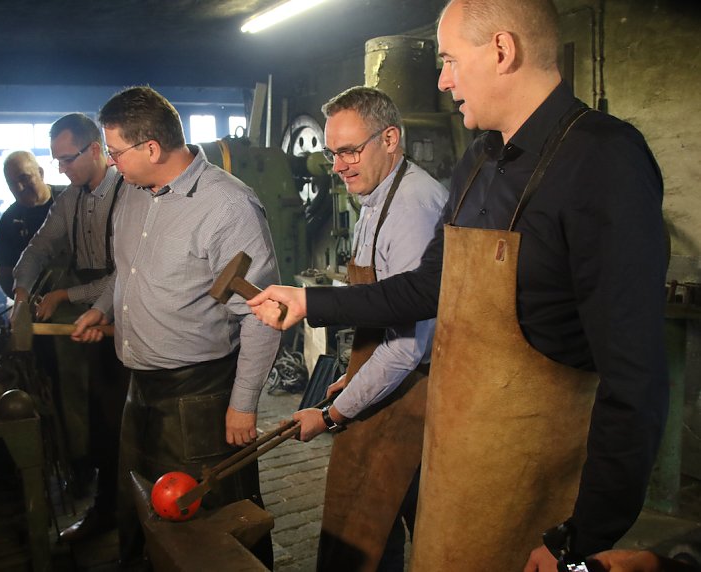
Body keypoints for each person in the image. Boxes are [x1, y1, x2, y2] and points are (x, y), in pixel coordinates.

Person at [248, 0, 668, 570]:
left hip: (538, 480)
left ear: (501, 51)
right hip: (460, 455)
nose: (443, 82)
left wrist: (582, 534)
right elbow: (428, 288)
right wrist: (310, 301)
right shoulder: (478, 161)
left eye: (448, 61)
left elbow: (635, 376)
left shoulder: (603, 159)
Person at [72, 86, 281, 568]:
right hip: (139, 388)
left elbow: (260, 314)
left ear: (151, 148)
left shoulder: (227, 208)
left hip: (200, 395)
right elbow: (130, 270)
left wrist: (243, 404)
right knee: (143, 514)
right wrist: (104, 307)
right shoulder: (132, 190)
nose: (110, 161)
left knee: (213, 526)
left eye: (115, 150)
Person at [292, 86, 446, 572]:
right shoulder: (376, 196)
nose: (337, 165)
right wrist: (348, 381)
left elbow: (405, 349)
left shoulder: (413, 207)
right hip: (384, 381)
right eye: (333, 153)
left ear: (391, 139)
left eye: (350, 151)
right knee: (374, 525)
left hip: (414, 395)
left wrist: (334, 414)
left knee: (401, 524)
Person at [11, 113, 128, 543]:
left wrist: (68, 296)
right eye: (56, 160)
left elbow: (128, 273)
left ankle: (134, 515)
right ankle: (108, 508)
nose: (60, 169)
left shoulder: (130, 193)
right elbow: (40, 246)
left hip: (132, 320)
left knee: (124, 423)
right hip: (96, 322)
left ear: (95, 149)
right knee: (99, 417)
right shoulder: (70, 200)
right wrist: (23, 292)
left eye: (67, 159)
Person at [0, 151, 64, 297]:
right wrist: (25, 304)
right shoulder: (9, 220)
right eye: (12, 183)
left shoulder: (70, 199)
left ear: (40, 173)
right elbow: (4, 275)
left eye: (24, 178)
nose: (19, 188)